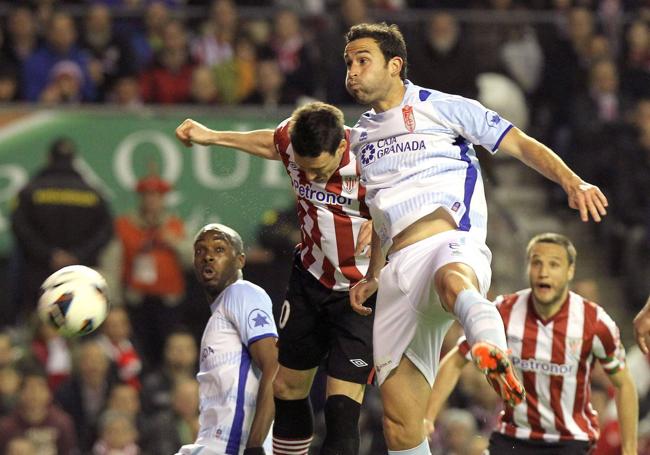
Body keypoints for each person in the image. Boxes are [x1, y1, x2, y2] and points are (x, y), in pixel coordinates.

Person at [344, 22, 609, 454]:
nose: (352, 71)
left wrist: (571, 181)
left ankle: (489, 344)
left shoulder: (444, 107)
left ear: (395, 65)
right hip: (397, 272)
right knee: (400, 424)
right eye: (348, 63)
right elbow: (378, 211)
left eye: (362, 61)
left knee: (454, 281)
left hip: (449, 242)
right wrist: (373, 274)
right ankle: (482, 340)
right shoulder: (362, 137)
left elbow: (520, 144)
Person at [176, 102, 375, 455]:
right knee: (286, 389)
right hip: (311, 281)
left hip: (360, 293)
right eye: (303, 167)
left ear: (342, 148)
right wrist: (212, 137)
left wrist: (384, 222)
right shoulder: (290, 142)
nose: (310, 178)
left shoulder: (373, 158)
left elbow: (418, 201)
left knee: (342, 409)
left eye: (319, 169)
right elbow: (271, 143)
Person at [424, 233, 638, 454]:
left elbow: (624, 384)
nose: (543, 272)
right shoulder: (504, 310)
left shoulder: (595, 321)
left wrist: (629, 450)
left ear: (570, 271)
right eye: (537, 263)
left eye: (554, 264)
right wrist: (428, 417)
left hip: (568, 440)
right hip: (513, 436)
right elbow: (456, 360)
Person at [176, 223, 278, 455]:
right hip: (209, 443)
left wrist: (254, 446)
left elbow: (275, 366)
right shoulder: (218, 315)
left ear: (240, 260)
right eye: (200, 251)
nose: (208, 257)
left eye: (219, 249)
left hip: (231, 447)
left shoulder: (241, 293)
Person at [10, 137, 113, 326]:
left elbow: (19, 227)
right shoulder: (93, 192)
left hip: (39, 272)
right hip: (81, 274)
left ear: (49, 158)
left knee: (38, 326)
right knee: (80, 321)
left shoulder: (31, 191)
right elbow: (106, 230)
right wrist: (77, 254)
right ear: (74, 159)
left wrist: (49, 254)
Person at [115, 174, 189, 368]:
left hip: (169, 300)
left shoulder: (174, 225)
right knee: (139, 348)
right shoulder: (125, 225)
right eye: (147, 195)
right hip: (136, 300)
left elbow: (191, 259)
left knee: (168, 346)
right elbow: (114, 262)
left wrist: (175, 242)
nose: (151, 200)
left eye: (156, 195)